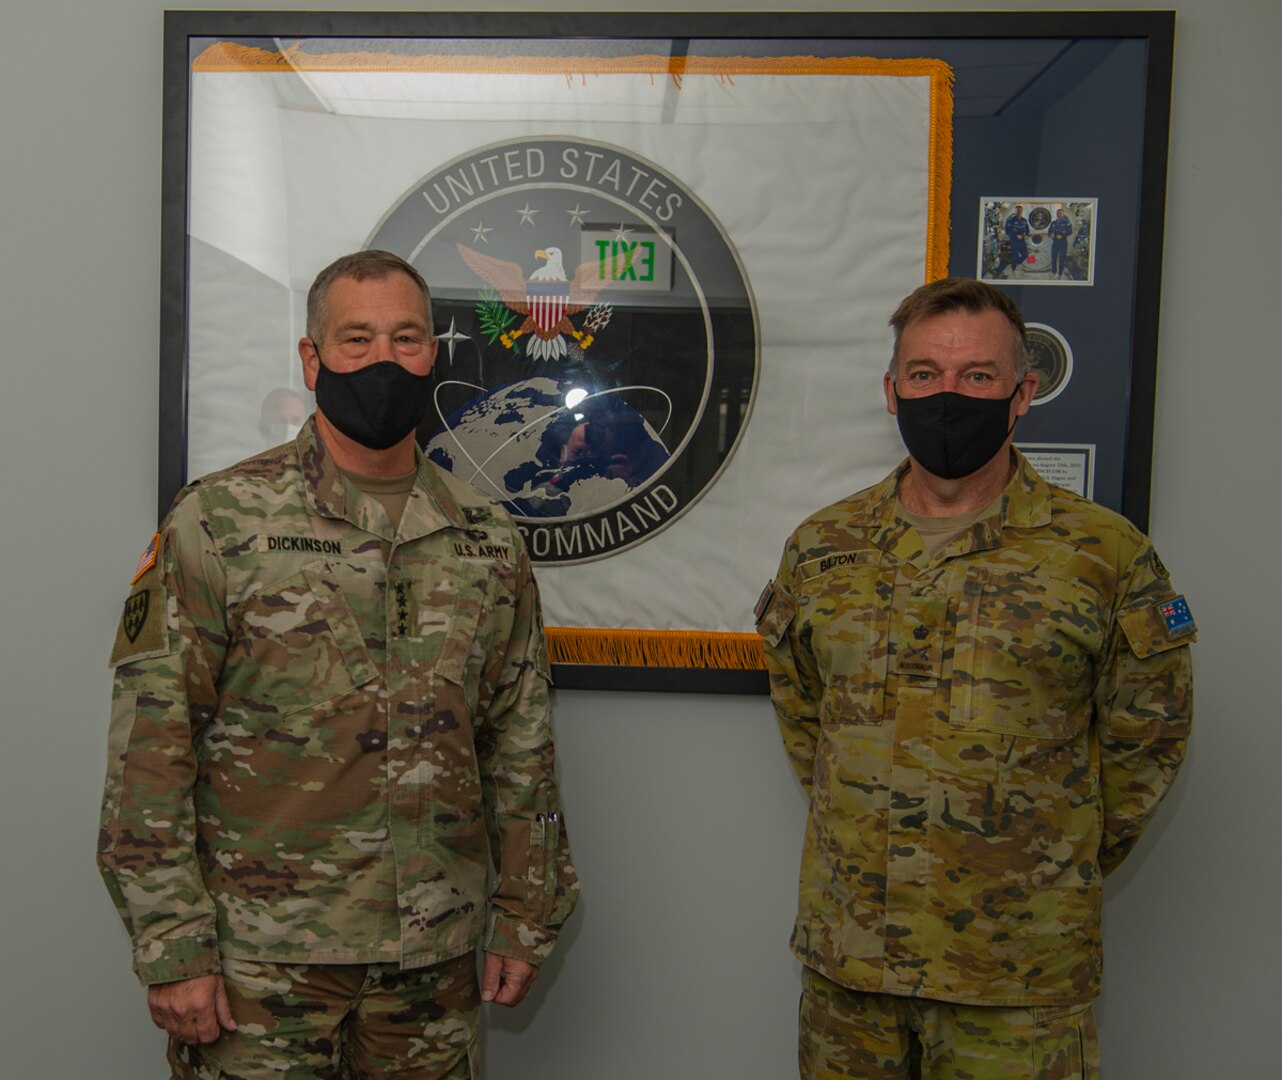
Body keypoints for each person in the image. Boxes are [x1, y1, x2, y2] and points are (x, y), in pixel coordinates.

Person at [98, 250, 578, 1078]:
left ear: (435, 355)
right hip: (262, 961)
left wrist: (527, 911)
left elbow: (520, 742)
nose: (383, 360)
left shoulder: (486, 538)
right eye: (356, 340)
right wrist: (173, 942)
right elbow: (152, 744)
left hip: (430, 960)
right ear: (311, 358)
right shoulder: (218, 521)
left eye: (406, 338)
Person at [756, 277, 1194, 1079]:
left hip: (1017, 975)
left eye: (977, 377)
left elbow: (1146, 744)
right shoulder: (822, 549)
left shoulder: (1105, 556)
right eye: (924, 374)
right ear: (892, 392)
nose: (947, 395)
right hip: (854, 965)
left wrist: (1038, 859)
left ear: (1021, 393)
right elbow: (806, 719)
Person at [1003, 204, 1030, 278]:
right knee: (1015, 256)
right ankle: (1013, 269)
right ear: (1015, 211)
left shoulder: (1024, 220)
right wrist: (1015, 235)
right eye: (1018, 211)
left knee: (1025, 254)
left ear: (1022, 212)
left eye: (1020, 211)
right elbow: (1007, 231)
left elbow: (1027, 229)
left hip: (1022, 241)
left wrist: (1027, 235)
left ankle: (1018, 263)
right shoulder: (1011, 220)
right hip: (1014, 240)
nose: (1019, 212)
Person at [1048, 209, 1074, 279]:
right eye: (1058, 214)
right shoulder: (1053, 223)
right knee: (1053, 258)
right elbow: (1049, 231)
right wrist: (1051, 235)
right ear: (1056, 214)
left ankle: (1060, 273)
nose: (1059, 215)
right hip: (1055, 243)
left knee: (1062, 259)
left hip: (1063, 243)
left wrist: (1062, 235)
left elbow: (1070, 231)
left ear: (1063, 214)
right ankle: (1054, 272)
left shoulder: (1066, 222)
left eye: (1061, 213)